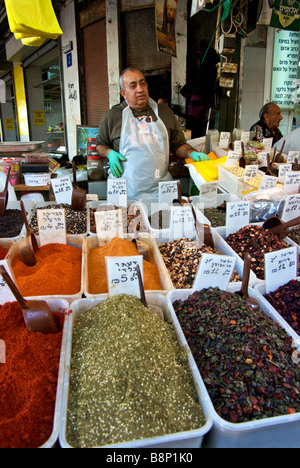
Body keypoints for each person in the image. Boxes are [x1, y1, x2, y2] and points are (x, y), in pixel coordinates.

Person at [96, 67, 209, 200]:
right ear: (123, 93)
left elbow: (178, 145)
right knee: (131, 220)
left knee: (161, 220)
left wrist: (192, 153)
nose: (140, 89)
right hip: (125, 192)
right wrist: (109, 153)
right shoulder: (112, 116)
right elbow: (100, 145)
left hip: (161, 191)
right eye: (133, 86)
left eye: (142, 83)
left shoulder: (165, 113)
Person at [180, 40, 219, 138]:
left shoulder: (204, 68)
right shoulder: (207, 66)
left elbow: (185, 90)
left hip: (197, 103)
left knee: (194, 128)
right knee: (195, 128)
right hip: (199, 102)